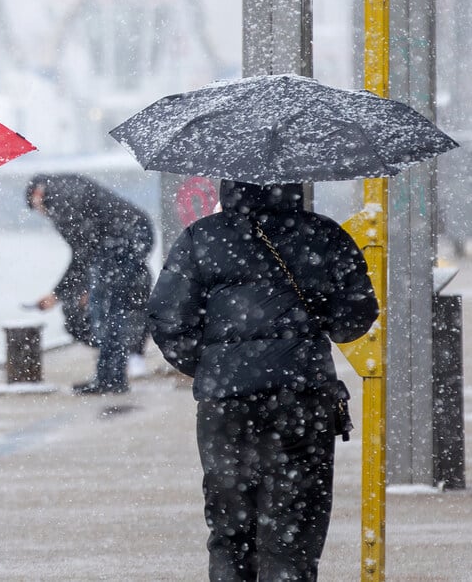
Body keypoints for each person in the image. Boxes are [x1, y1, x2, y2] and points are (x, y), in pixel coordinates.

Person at [148, 180, 379, 581]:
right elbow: (354, 320)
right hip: (303, 401)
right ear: (295, 182)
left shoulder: (200, 238)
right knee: (294, 533)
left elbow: (168, 320)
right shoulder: (323, 235)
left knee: (230, 532)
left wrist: (215, 369)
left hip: (227, 409)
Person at [25, 173, 154, 394]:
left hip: (122, 240)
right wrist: (65, 291)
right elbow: (86, 248)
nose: (42, 213)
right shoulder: (66, 186)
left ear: (37, 194)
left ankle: (110, 379)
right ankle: (111, 376)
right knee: (113, 308)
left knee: (106, 310)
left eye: (35, 207)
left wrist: (60, 293)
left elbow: (83, 250)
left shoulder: (58, 200)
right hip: (134, 233)